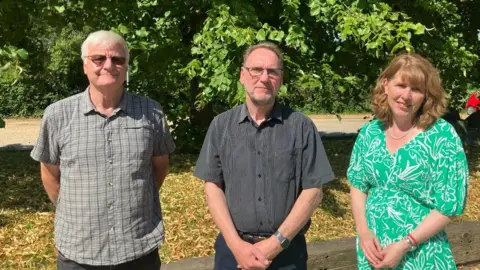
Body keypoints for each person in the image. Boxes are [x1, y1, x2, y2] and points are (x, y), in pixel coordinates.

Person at [31, 30, 175, 269]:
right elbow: (49, 172)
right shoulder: (57, 115)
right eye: (99, 59)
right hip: (78, 250)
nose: (109, 65)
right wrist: (76, 212)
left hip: (137, 247)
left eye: (118, 59)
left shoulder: (152, 112)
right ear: (84, 65)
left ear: (127, 66)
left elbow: (159, 167)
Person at [194, 42, 335, 270]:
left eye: (272, 71)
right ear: (242, 75)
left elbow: (313, 191)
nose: (264, 77)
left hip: (287, 253)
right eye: (256, 69)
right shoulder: (221, 126)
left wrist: (274, 244)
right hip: (233, 252)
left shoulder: (301, 127)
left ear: (281, 79)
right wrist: (236, 245)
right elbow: (213, 186)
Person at [347, 53, 469, 269]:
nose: (406, 95)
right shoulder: (369, 133)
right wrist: (364, 232)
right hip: (373, 253)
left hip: (422, 254)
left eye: (416, 89)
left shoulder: (441, 136)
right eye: (401, 85)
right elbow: (357, 185)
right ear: (386, 85)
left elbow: (449, 205)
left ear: (426, 96)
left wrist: (405, 244)